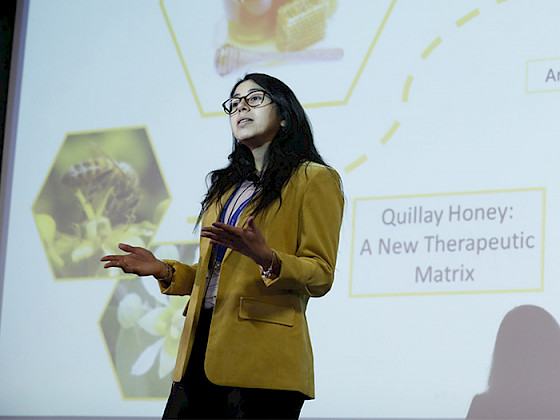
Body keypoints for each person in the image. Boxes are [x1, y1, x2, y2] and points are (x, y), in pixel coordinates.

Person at [101, 73, 344, 419]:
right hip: (199, 349)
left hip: (264, 360)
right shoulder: (225, 188)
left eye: (255, 98)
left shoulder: (313, 179)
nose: (241, 106)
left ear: (285, 115)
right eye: (234, 102)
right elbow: (218, 273)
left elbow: (321, 273)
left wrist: (269, 258)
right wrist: (165, 270)